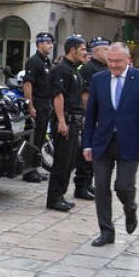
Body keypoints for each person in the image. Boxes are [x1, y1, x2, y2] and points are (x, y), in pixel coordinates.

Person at [82, 42, 139, 247]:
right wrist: (87, 144)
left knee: (123, 186)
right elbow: (91, 115)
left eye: (118, 62)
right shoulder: (99, 79)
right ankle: (106, 232)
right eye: (110, 61)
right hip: (102, 142)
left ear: (128, 60)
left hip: (130, 142)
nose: (113, 65)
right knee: (101, 187)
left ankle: (130, 208)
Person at [46, 35, 86, 212]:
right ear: (72, 50)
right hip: (66, 121)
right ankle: (54, 198)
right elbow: (58, 96)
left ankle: (60, 194)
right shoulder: (61, 69)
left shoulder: (74, 70)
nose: (85, 53)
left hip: (74, 121)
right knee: (62, 162)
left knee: (69, 162)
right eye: (83, 49)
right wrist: (61, 121)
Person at [73, 37, 110, 200]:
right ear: (95, 51)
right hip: (91, 116)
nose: (108, 53)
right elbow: (85, 96)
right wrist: (89, 116)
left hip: (103, 116)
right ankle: (81, 185)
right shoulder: (89, 68)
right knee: (86, 153)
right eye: (105, 50)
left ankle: (88, 183)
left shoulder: (104, 68)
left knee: (96, 153)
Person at [21, 33, 55, 184]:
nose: (51, 45)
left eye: (51, 42)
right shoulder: (34, 61)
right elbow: (28, 84)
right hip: (37, 102)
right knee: (34, 138)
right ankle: (28, 171)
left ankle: (35, 166)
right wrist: (30, 106)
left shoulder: (46, 61)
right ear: (39, 44)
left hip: (46, 103)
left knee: (41, 138)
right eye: (47, 42)